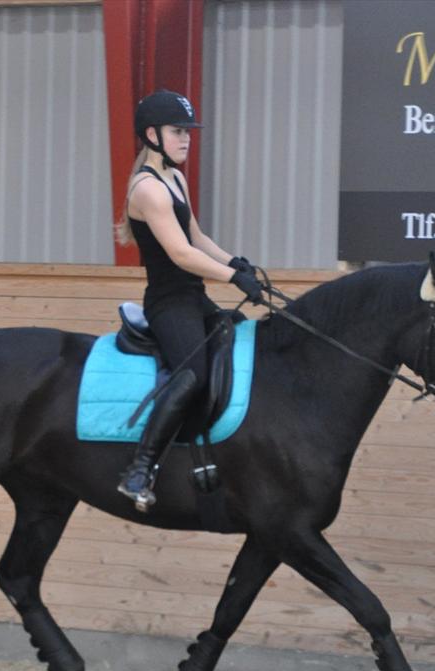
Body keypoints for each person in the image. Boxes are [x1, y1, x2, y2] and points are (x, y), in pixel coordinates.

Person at [113, 90, 265, 512]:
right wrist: (234, 279)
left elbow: (197, 238)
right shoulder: (148, 190)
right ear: (152, 134)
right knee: (192, 375)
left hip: (194, 297)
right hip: (169, 303)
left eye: (188, 133)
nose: (186, 140)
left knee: (234, 348)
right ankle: (139, 470)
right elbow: (181, 254)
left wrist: (234, 261)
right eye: (178, 132)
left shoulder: (174, 179)